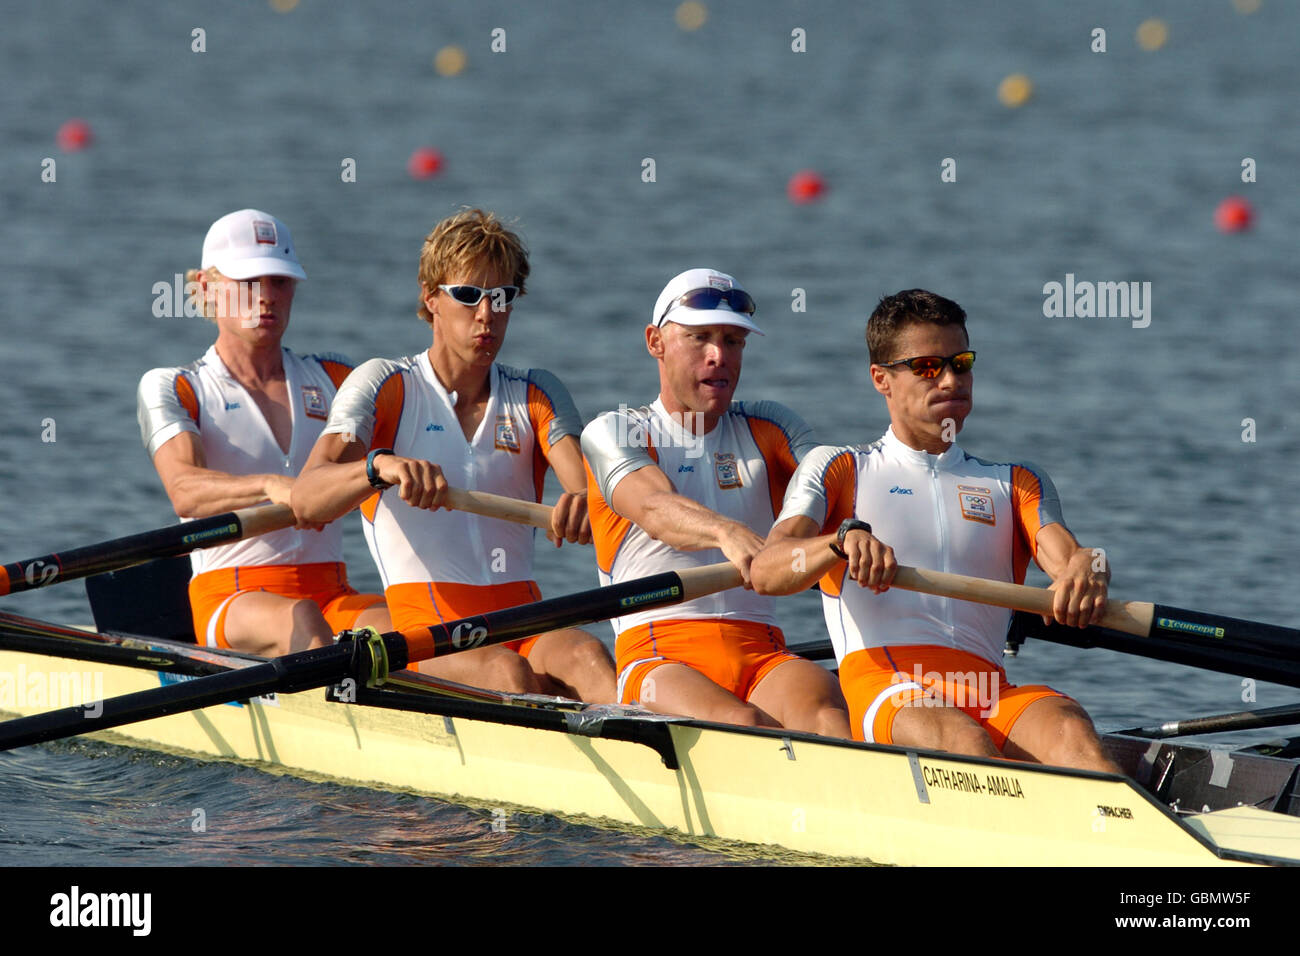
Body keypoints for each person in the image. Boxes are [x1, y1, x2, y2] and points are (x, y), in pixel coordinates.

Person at [751, 289, 1121, 772]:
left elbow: (1070, 558)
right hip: (887, 687)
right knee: (962, 741)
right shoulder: (840, 468)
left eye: (961, 364)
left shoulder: (1015, 482)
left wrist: (1093, 567)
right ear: (881, 379)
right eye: (927, 367)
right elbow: (766, 570)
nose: (950, 380)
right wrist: (839, 541)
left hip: (990, 691)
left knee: (1070, 728)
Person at [291, 209, 615, 702]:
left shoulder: (536, 393)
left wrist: (583, 502)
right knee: (508, 674)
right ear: (431, 298)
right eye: (468, 295)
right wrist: (378, 467)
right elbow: (306, 499)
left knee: (589, 656)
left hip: (523, 620)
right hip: (427, 631)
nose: (486, 314)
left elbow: (586, 488)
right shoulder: (385, 385)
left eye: (502, 297)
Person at [580, 268, 850, 735]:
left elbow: (842, 496)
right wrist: (725, 531)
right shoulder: (615, 432)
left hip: (763, 650)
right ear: (655, 341)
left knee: (827, 717)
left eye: (733, 341)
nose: (718, 356)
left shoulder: (772, 428)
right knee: (742, 723)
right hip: (659, 656)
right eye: (699, 337)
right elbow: (653, 508)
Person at [137, 209, 389, 656]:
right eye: (249, 283)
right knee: (303, 619)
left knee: (407, 625)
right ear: (205, 288)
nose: (266, 297)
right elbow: (185, 491)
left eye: (280, 282)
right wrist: (273, 486)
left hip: (331, 593)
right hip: (230, 599)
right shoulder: (178, 386)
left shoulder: (335, 378)